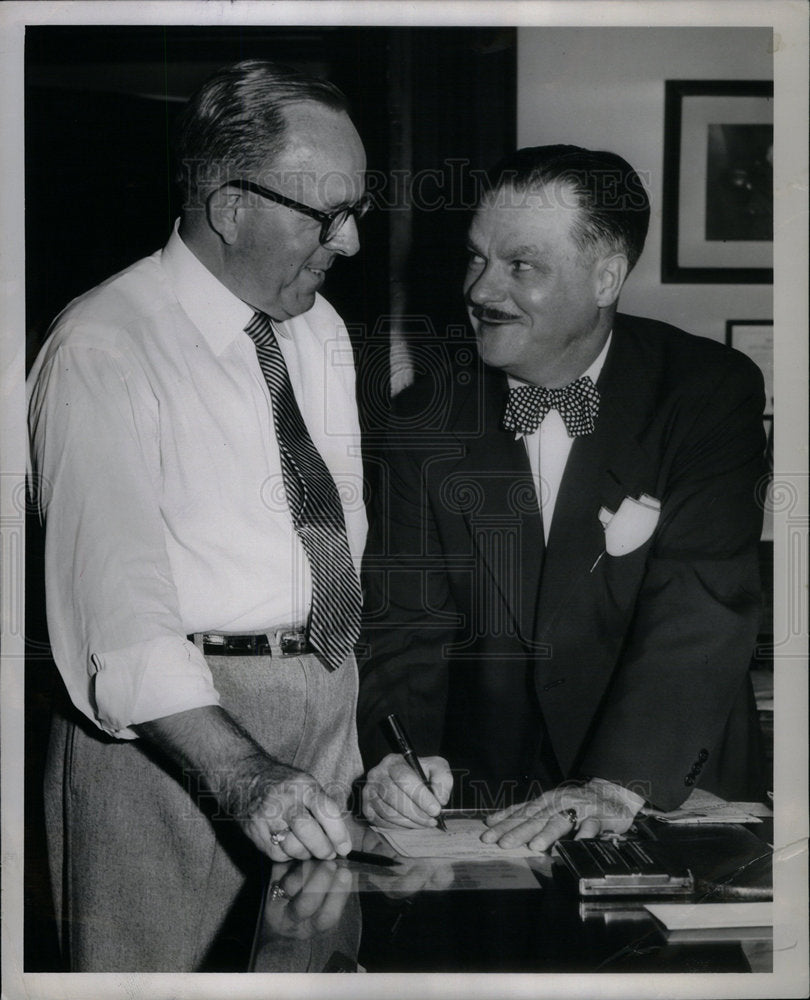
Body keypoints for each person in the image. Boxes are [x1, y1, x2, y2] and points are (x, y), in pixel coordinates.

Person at [27, 59, 371, 971]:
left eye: (356, 212)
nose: (350, 243)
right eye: (326, 215)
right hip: (174, 746)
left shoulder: (320, 332)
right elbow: (120, 625)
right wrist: (244, 772)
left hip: (326, 720)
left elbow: (331, 562)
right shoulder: (102, 346)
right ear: (230, 207)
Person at [358, 144, 767, 852]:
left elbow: (701, 603)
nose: (481, 291)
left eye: (521, 266)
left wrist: (617, 782)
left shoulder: (707, 391)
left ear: (605, 276)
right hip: (488, 811)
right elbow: (403, 626)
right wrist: (400, 756)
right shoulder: (422, 414)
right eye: (477, 257)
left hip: (666, 791)